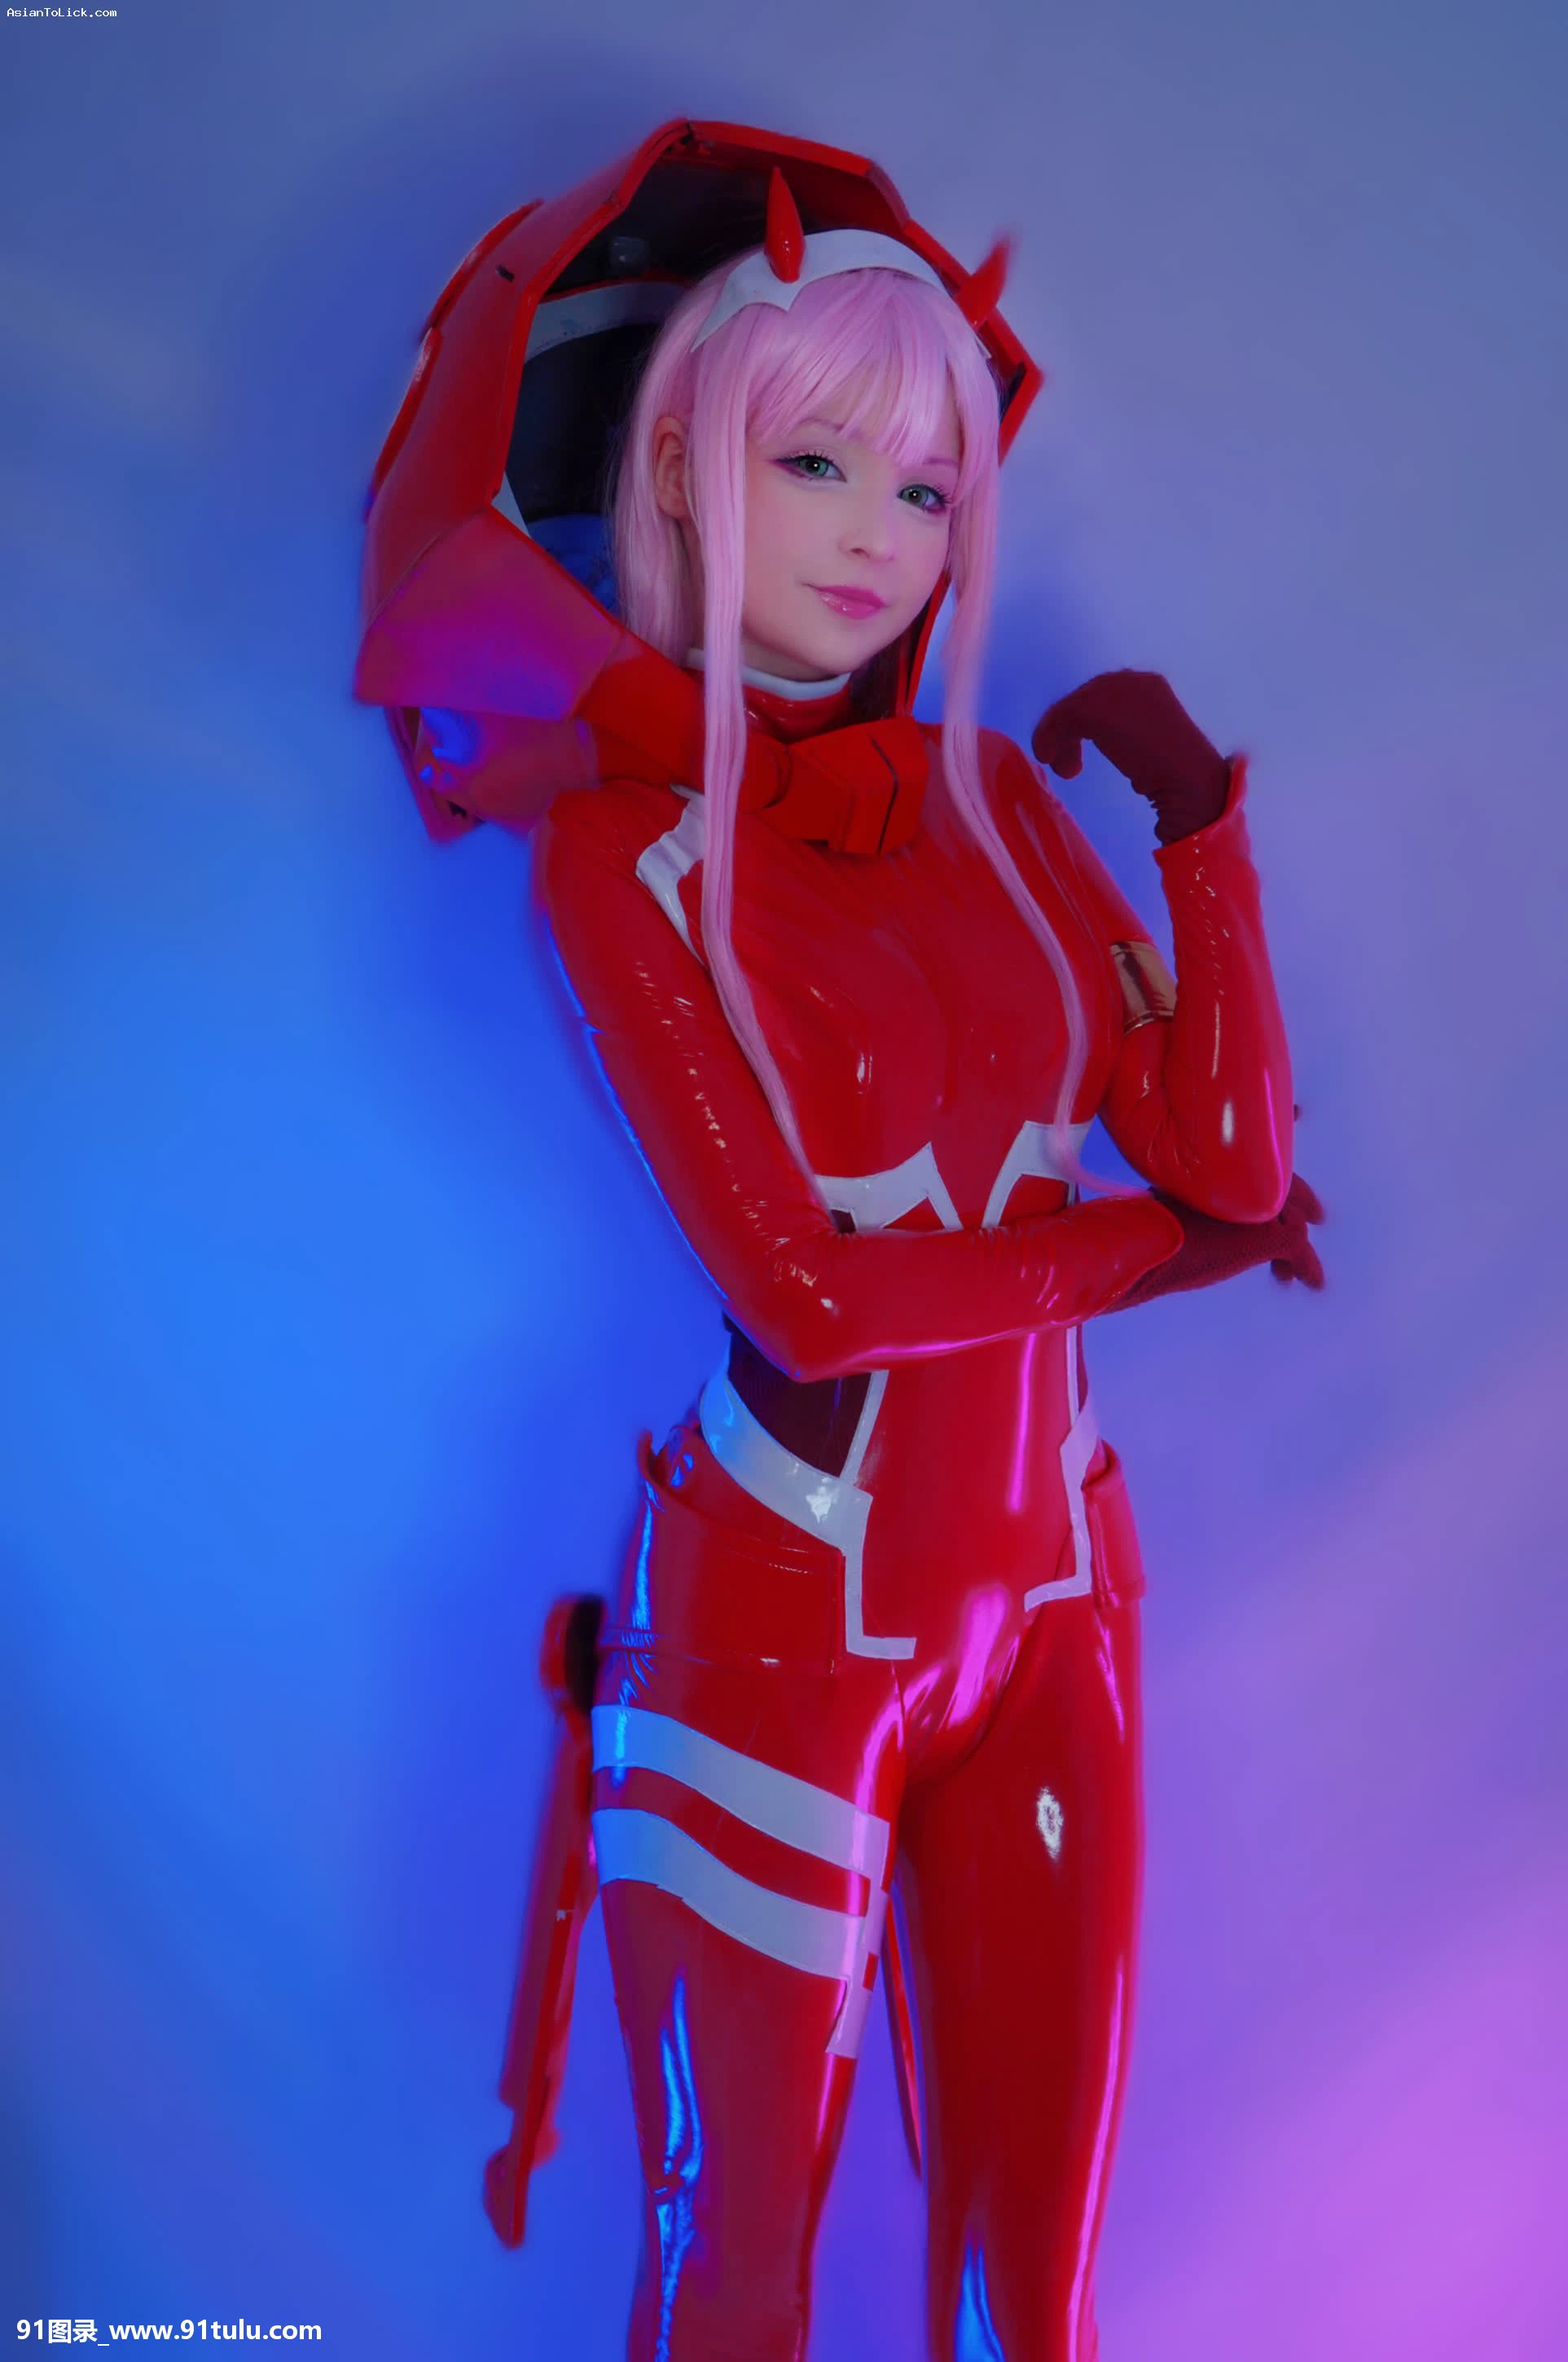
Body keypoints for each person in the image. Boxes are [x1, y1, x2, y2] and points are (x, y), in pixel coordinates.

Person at [358, 121, 1321, 2362]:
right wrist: (1144, 1254)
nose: (883, 537)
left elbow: (1232, 1163)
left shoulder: (1002, 806)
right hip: (779, 1611)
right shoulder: (620, 848)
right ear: (679, 469)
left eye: (926, 488)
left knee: (1034, 2291)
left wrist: (1201, 837)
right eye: (818, 467)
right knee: (738, 2272)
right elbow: (801, 1290)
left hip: (1060, 1596)